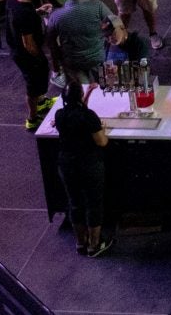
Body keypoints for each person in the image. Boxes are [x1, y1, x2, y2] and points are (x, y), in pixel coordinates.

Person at [53, 81, 111, 257]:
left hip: (67, 164)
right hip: (88, 164)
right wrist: (104, 130)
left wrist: (88, 94)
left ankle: (80, 242)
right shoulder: (89, 116)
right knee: (93, 203)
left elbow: (77, 111)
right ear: (79, 97)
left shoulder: (60, 115)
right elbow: (101, 141)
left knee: (75, 203)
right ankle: (95, 244)